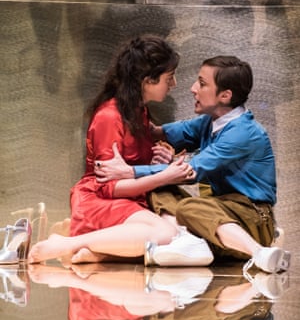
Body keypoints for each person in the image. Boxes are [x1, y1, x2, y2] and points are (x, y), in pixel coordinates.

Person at [92, 55, 291, 274]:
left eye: (202, 84)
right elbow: (164, 133)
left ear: (225, 95)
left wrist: (129, 171)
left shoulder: (243, 133)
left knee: (191, 207)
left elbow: (190, 171)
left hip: (251, 217)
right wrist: (131, 107)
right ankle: (190, 243)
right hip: (220, 210)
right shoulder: (210, 121)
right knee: (160, 188)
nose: (193, 88)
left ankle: (258, 252)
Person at [28, 35, 213, 265]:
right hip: (98, 200)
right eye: (169, 77)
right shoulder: (110, 116)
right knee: (166, 234)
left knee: (183, 231)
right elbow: (108, 188)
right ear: (147, 81)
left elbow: (133, 166)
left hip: (132, 199)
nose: (173, 84)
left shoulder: (138, 112)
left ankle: (99, 251)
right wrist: (163, 176)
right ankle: (66, 243)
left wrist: (160, 162)